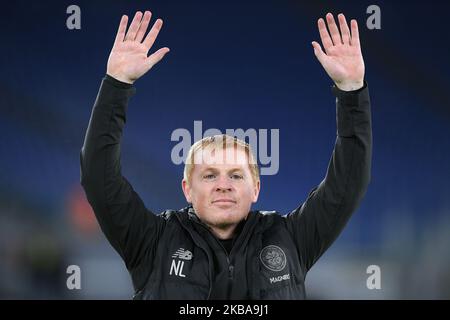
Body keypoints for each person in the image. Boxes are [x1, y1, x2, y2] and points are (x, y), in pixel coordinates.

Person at [80, 10, 372, 299]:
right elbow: (98, 177)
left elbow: (347, 184)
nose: (224, 184)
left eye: (236, 175)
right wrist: (116, 84)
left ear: (255, 188)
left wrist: (351, 91)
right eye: (209, 175)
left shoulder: (291, 239)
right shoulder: (152, 241)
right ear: (187, 189)